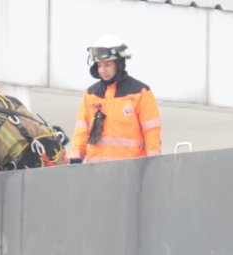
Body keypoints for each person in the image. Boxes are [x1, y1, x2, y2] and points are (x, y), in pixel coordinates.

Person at [68, 35, 162, 163]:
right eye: (99, 65)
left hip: (129, 169)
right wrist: (76, 156)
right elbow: (81, 131)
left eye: (107, 65)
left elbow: (152, 132)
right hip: (96, 171)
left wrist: (154, 162)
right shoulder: (90, 94)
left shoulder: (140, 93)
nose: (102, 70)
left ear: (119, 64)